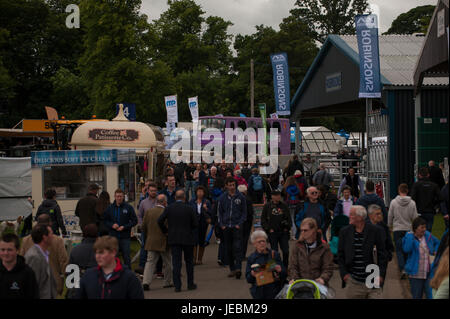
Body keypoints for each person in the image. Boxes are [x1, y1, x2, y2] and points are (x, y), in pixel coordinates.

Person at [338, 205, 387, 299]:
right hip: (354, 282)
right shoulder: (344, 232)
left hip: (373, 279)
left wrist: (381, 275)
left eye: (351, 215)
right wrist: (344, 274)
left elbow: (382, 255)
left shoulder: (375, 231)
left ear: (360, 217)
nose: (349, 216)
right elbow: (340, 255)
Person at [76, 236, 144, 299]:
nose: (97, 256)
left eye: (101, 253)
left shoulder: (129, 278)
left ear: (113, 252)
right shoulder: (88, 275)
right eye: (96, 253)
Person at [158, 190, 198, 292]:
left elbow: (159, 220)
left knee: (176, 263)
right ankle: (190, 283)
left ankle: (177, 285)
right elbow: (195, 223)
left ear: (175, 198)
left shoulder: (169, 208)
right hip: (187, 238)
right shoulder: (190, 208)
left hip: (174, 238)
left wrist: (166, 230)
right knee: (189, 262)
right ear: (184, 198)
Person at [19, 214, 68, 297]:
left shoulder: (26, 240)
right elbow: (63, 261)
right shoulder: (57, 240)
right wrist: (66, 278)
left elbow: (21, 261)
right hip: (53, 283)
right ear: (50, 224)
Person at [288, 218, 334, 286]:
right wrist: (295, 279)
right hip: (300, 285)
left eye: (305, 230)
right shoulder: (297, 246)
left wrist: (323, 278)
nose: (302, 233)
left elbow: (328, 267)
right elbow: (293, 266)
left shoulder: (324, 247)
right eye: (301, 230)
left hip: (318, 284)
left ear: (313, 230)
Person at [402, 217, 440, 299]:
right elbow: (406, 249)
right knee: (417, 296)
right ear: (415, 228)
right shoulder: (409, 237)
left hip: (429, 273)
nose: (424, 229)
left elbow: (438, 243)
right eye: (422, 227)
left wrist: (435, 250)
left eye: (425, 227)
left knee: (431, 296)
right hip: (416, 275)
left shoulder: (427, 235)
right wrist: (409, 236)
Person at [217, 177, 247, 279]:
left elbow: (244, 212)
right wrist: (222, 224)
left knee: (238, 247)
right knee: (228, 249)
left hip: (236, 226)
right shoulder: (222, 197)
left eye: (233, 185)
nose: (232, 187)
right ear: (226, 186)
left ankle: (238, 269)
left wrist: (240, 223)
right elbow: (220, 212)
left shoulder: (241, 197)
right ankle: (232, 269)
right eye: (230, 185)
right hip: (226, 226)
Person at [142, 194, 173, 291]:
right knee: (168, 263)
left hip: (151, 241)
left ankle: (146, 282)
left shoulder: (148, 212)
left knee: (150, 262)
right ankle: (167, 282)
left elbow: (143, 227)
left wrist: (149, 235)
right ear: (164, 202)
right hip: (164, 241)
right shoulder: (166, 212)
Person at [388, 183, 419, 277]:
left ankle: (402, 268)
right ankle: (407, 267)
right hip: (408, 229)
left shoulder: (393, 202)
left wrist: (389, 226)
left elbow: (390, 215)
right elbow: (415, 217)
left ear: (399, 190)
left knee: (399, 250)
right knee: (407, 250)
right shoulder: (412, 203)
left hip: (397, 229)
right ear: (407, 191)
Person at [245, 230, 286, 299]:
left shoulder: (274, 255)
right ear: (254, 244)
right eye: (259, 242)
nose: (262, 243)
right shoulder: (251, 258)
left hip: (275, 292)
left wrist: (280, 270)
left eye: (263, 241)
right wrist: (252, 275)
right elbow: (249, 279)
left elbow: (284, 274)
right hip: (259, 293)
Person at [103, 189, 138, 269]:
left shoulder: (128, 207)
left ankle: (128, 274)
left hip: (125, 236)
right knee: (113, 256)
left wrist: (124, 227)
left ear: (123, 197)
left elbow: (134, 221)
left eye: (120, 196)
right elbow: (105, 220)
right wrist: (112, 225)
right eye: (117, 196)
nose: (119, 198)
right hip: (113, 237)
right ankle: (113, 273)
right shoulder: (110, 208)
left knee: (126, 256)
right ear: (114, 197)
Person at [0, 233, 39, 299]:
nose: (5, 253)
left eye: (9, 250)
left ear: (18, 250)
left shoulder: (28, 273)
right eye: (2, 250)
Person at [24, 224, 57, 299]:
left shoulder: (44, 254)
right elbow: (31, 287)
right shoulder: (34, 257)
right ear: (44, 237)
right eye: (51, 234)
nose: (53, 236)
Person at [65, 224, 98, 299]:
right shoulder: (102, 250)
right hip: (97, 287)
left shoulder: (75, 250)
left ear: (83, 234)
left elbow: (69, 273)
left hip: (78, 287)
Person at [261, 190, 291, 267]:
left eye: (279, 195)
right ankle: (275, 267)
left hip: (283, 232)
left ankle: (285, 267)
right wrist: (268, 229)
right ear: (272, 196)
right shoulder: (267, 206)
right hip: (272, 232)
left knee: (286, 251)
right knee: (274, 251)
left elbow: (289, 218)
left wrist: (287, 227)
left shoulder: (284, 205)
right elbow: (263, 219)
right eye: (276, 195)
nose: (278, 197)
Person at [136, 182, 158, 274]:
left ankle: (157, 268)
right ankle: (142, 266)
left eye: (155, 191)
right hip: (146, 229)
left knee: (157, 248)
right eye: (151, 191)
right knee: (144, 247)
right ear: (148, 191)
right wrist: (141, 225)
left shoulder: (159, 201)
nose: (153, 192)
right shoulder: (143, 202)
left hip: (157, 229)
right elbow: (139, 215)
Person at [410, 167, 442, 232]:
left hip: (419, 211)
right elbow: (440, 198)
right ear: (428, 175)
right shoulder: (434, 185)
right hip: (430, 211)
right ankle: (427, 241)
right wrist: (434, 204)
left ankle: (421, 241)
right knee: (428, 231)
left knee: (419, 230)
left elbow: (412, 198)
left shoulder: (416, 185)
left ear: (419, 175)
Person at [189, 186, 212, 265]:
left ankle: (200, 259)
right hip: (194, 223)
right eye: (198, 191)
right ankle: (194, 259)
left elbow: (211, 212)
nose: (200, 193)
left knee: (201, 241)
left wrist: (206, 209)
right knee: (194, 241)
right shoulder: (192, 201)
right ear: (196, 192)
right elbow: (189, 211)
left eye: (201, 192)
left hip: (203, 223)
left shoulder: (207, 202)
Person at [238, 185, 254, 260]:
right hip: (247, 221)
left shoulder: (236, 198)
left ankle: (237, 255)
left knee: (238, 238)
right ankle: (242, 255)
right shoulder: (248, 199)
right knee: (244, 239)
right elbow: (250, 211)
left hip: (238, 221)